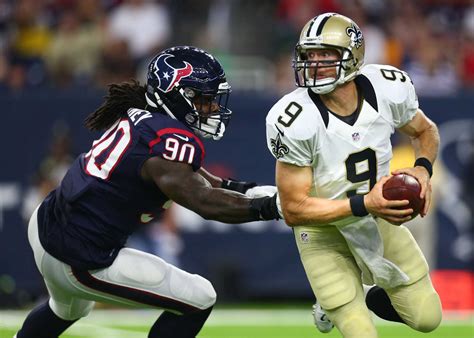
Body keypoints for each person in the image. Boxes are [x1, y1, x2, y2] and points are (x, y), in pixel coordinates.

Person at [16, 46, 279, 338]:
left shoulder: (144, 121)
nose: (214, 108)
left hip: (46, 227)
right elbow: (204, 202)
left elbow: (193, 175)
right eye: (205, 100)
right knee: (199, 298)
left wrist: (244, 190)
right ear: (176, 96)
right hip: (77, 257)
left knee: (68, 309)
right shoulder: (169, 140)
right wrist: (271, 208)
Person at [265, 13, 442, 338]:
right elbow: (292, 209)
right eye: (309, 55)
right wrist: (364, 204)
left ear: (353, 56)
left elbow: (425, 131)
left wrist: (423, 169)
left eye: (325, 54)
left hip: (378, 218)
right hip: (322, 231)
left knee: (428, 318)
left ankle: (368, 294)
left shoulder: (387, 88)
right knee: (362, 334)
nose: (314, 63)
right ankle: (335, 301)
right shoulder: (293, 118)